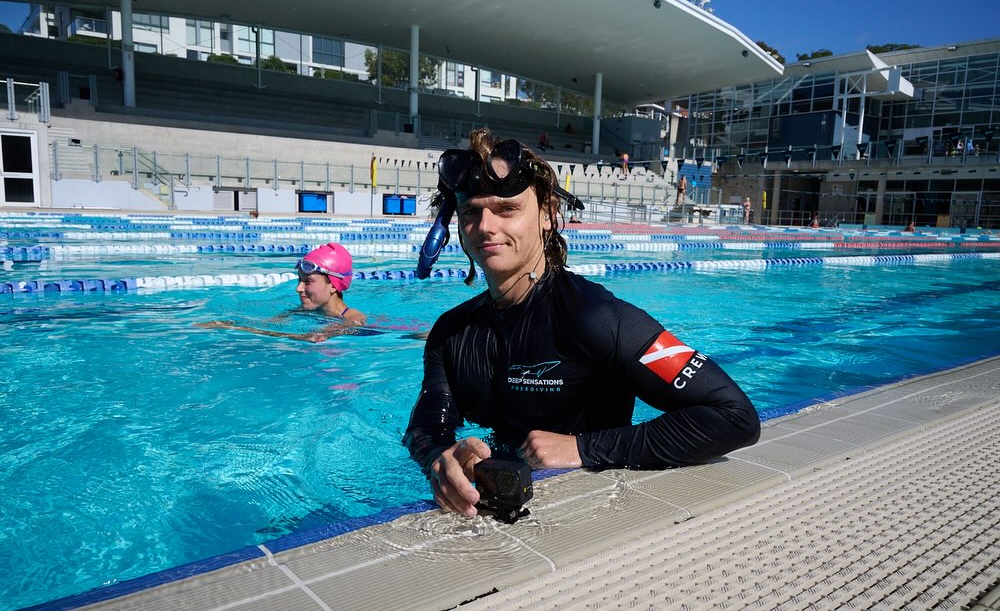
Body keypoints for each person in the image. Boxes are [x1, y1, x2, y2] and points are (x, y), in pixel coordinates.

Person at [403, 129, 760, 517]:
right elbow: (425, 426)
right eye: (472, 212)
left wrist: (583, 448)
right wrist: (440, 458)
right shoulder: (451, 333)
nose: (486, 226)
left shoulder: (598, 318)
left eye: (507, 209)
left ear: (546, 215)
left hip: (593, 510)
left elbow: (734, 417)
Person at [196, 243, 367, 342]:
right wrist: (231, 325)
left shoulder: (353, 318)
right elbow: (264, 326)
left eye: (308, 281)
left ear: (334, 285)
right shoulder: (299, 312)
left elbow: (316, 337)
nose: (298, 288)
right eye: (299, 280)